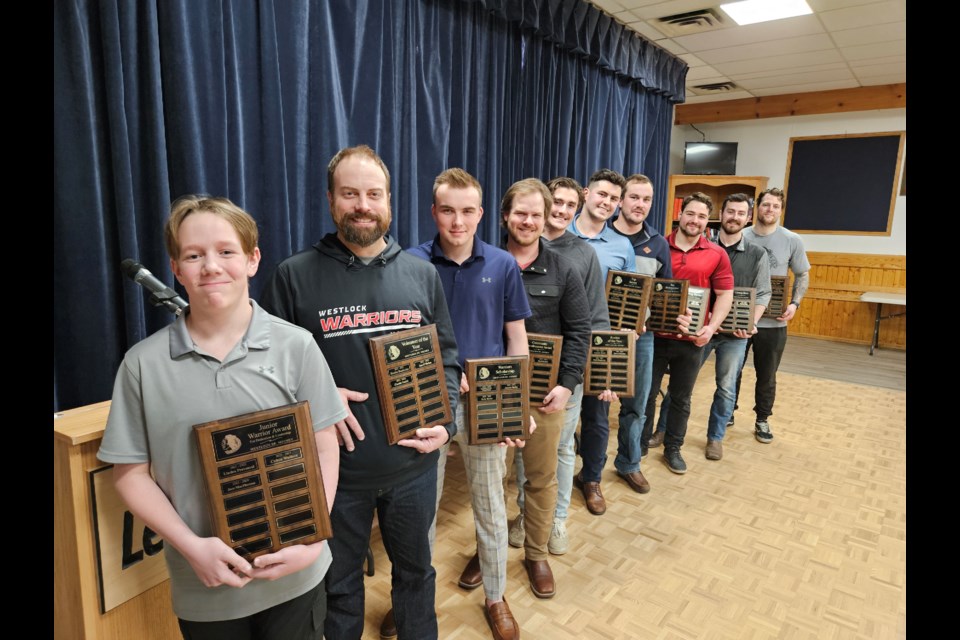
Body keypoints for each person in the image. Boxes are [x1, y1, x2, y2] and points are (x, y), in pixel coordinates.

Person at [97, 195, 346, 639]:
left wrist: (314, 539)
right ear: (176, 270)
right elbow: (129, 475)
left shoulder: (298, 346)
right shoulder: (142, 365)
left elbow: (324, 443)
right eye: (194, 255)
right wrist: (192, 547)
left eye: (226, 251)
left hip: (297, 574)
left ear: (252, 260)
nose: (211, 266)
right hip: (205, 585)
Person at [260, 145, 461, 640]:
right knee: (340, 587)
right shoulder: (294, 276)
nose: (362, 205)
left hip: (414, 469)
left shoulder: (421, 273)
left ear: (389, 201)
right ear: (331, 200)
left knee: (417, 577)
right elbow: (266, 375)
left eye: (373, 194)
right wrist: (316, 395)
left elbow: (448, 358)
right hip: (335, 478)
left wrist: (448, 421)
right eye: (350, 193)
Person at [408, 168, 532, 640]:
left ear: (481, 214)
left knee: (490, 506)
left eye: (466, 211)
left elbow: (516, 338)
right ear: (433, 211)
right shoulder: (412, 264)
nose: (457, 221)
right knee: (420, 509)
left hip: (488, 404)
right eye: (447, 210)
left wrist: (517, 408)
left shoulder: (502, 265)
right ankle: (412, 598)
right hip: (428, 404)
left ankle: (496, 597)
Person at [509, 176, 609, 554]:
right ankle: (525, 516)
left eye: (570, 205)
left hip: (562, 377)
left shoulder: (577, 258)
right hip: (515, 380)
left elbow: (589, 322)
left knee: (561, 450)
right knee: (525, 455)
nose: (562, 211)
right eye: (557, 204)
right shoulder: (503, 255)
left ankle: (555, 521)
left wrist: (578, 377)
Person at [501, 178, 590, 599]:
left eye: (536, 214)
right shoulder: (486, 262)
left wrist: (568, 384)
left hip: (544, 396)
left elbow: (579, 331)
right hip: (491, 395)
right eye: (521, 212)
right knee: (488, 479)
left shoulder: (564, 268)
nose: (528, 221)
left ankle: (535, 553)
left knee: (540, 478)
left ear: (547, 217)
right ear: (505, 215)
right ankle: (489, 550)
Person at [655, 193, 771, 461]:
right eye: (730, 211)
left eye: (741, 213)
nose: (735, 217)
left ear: (747, 218)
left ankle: (715, 437)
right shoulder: (704, 245)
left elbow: (762, 293)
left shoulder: (755, 254)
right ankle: (661, 430)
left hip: (733, 334)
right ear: (722, 215)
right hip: (696, 331)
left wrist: (750, 322)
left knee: (727, 387)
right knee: (682, 387)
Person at [642, 192, 733, 475]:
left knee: (681, 398)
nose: (695, 220)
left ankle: (673, 448)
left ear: (708, 221)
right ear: (680, 214)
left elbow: (725, 294)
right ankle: (640, 444)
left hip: (692, 340)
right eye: (690, 213)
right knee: (646, 395)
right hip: (654, 337)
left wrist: (711, 328)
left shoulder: (717, 253)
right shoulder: (656, 245)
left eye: (702, 216)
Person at [569, 169, 637, 516]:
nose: (606, 202)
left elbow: (631, 301)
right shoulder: (558, 233)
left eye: (613, 198)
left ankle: (591, 477)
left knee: (597, 417)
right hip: (560, 343)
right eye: (601, 195)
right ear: (586, 193)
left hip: (601, 343)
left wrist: (620, 352)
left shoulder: (622, 246)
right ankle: (555, 475)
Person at [608, 173, 672, 492]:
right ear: (620, 200)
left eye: (646, 199)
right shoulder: (600, 235)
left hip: (642, 337)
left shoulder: (658, 243)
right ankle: (589, 472)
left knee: (638, 402)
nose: (640, 205)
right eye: (634, 197)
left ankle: (629, 463)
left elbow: (664, 295)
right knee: (596, 405)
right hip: (602, 335)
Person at [738, 187, 810, 443]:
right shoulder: (741, 235)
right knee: (732, 370)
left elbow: (802, 274)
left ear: (781, 210)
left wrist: (794, 304)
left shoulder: (792, 240)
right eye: (766, 205)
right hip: (740, 318)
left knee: (766, 374)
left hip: (774, 322)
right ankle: (727, 413)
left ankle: (762, 419)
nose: (770, 210)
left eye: (775, 206)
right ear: (758, 206)